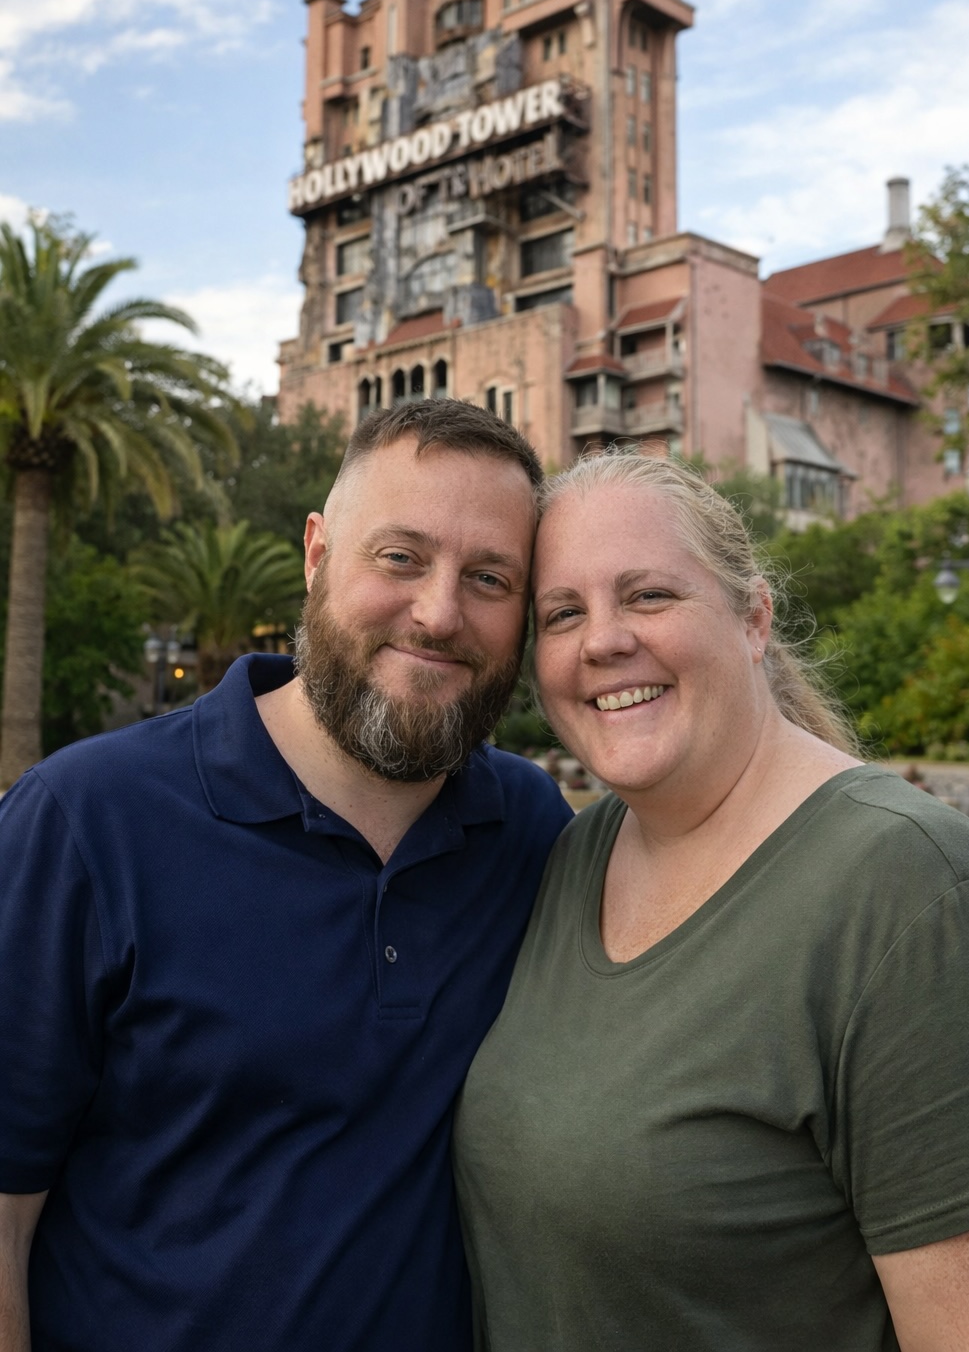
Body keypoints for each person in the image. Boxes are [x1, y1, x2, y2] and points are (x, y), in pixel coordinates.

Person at [0, 400, 571, 1352]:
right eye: (400, 557)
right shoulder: (85, 822)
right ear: (316, 554)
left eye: (488, 577)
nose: (438, 612)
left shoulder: (534, 834)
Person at [453, 450, 969, 1352]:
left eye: (647, 596)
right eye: (564, 613)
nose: (603, 640)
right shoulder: (573, 858)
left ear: (753, 618)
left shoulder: (915, 895)